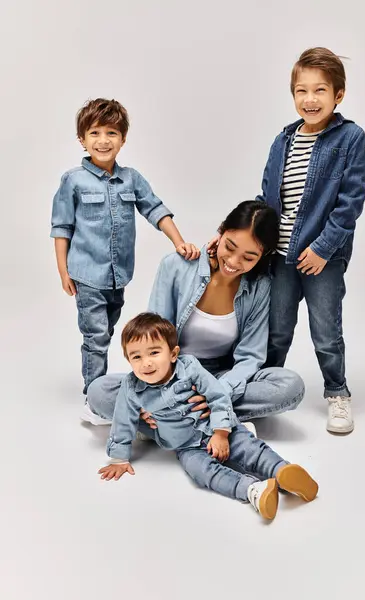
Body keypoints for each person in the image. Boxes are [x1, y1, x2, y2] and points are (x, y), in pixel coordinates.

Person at [84, 200, 305, 435]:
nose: (233, 262)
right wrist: (170, 384)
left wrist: (217, 392)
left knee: (290, 386)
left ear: (262, 257)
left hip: (222, 374)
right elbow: (154, 335)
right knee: (99, 391)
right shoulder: (176, 266)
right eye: (229, 247)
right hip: (170, 372)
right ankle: (214, 422)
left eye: (248, 258)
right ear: (220, 232)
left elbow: (250, 356)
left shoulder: (260, 287)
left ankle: (163, 423)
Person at [98, 313, 318, 521]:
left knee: (249, 449)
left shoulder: (189, 367)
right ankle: (253, 490)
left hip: (214, 425)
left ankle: (282, 471)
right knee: (202, 473)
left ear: (173, 354)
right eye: (136, 356)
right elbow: (123, 420)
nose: (146, 363)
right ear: (128, 360)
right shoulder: (131, 386)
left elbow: (218, 396)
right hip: (186, 446)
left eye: (154, 353)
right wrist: (119, 458)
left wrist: (221, 433)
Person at [50, 98, 199, 396]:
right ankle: (94, 396)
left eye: (111, 133)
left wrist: (179, 242)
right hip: (87, 275)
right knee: (96, 337)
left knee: (106, 330)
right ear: (82, 139)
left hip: (118, 277)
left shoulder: (131, 179)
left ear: (123, 139)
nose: (103, 141)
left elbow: (156, 210)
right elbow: (61, 228)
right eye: (94, 133)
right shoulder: (74, 181)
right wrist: (64, 271)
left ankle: (99, 389)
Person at [257, 48, 365, 434]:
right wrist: (234, 232)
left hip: (323, 258)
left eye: (320, 90)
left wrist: (323, 249)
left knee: (325, 330)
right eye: (301, 91)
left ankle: (337, 393)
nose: (310, 99)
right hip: (281, 255)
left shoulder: (350, 138)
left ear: (338, 95)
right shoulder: (283, 141)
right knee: (276, 329)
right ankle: (262, 396)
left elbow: (349, 202)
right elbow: (268, 199)